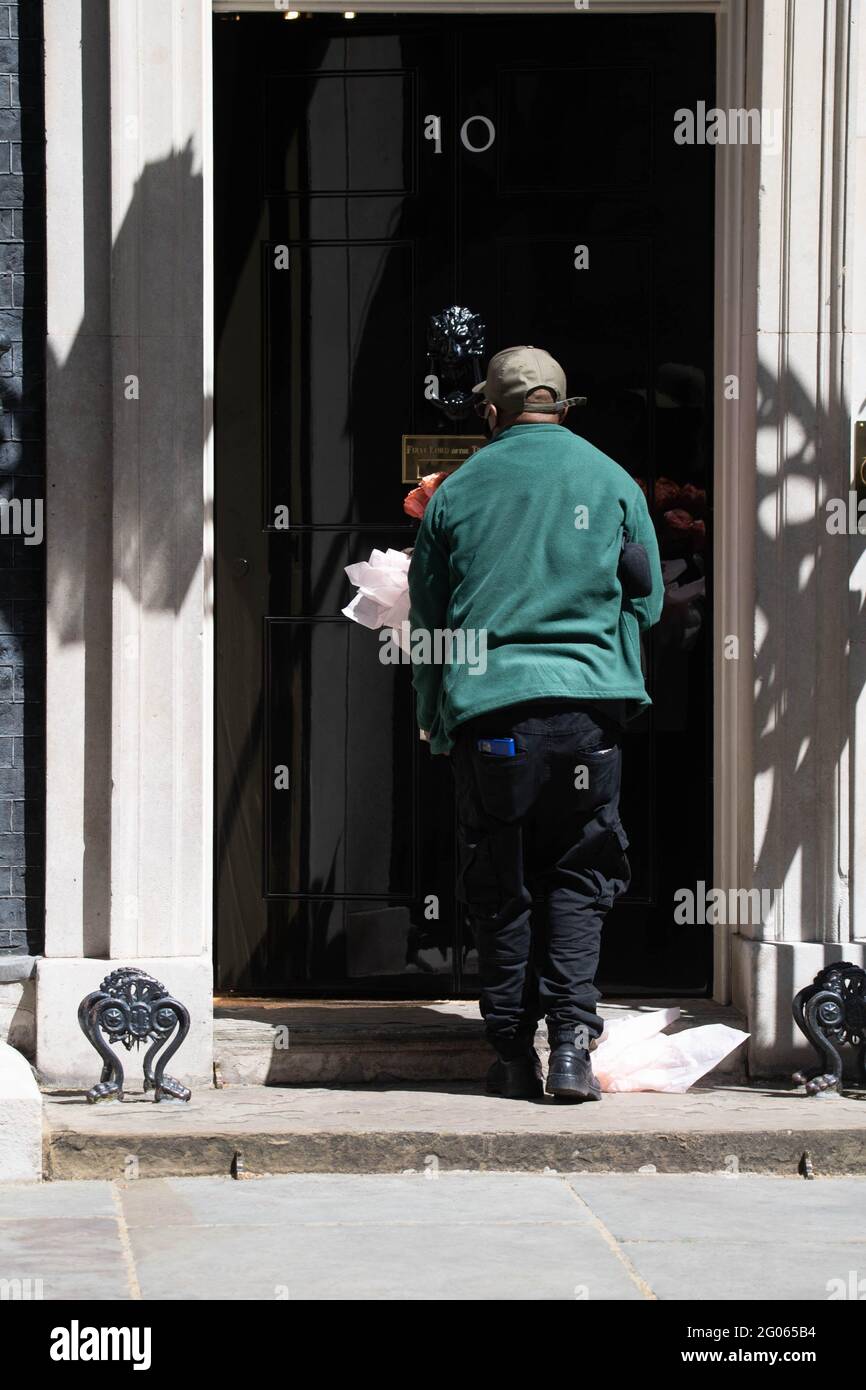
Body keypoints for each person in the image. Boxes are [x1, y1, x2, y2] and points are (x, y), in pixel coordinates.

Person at [408, 346, 664, 1101]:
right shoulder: (613, 482)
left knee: (503, 884)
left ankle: (511, 1054)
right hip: (590, 720)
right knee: (579, 879)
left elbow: (428, 625)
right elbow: (645, 603)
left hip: (495, 720)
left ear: (491, 412)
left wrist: (435, 719)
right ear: (562, 404)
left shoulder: (457, 491)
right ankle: (573, 1051)